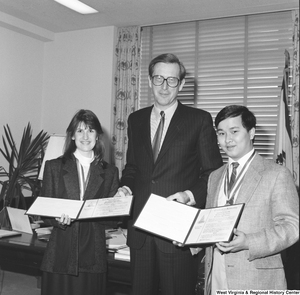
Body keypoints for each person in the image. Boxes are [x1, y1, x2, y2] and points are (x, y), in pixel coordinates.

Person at [116, 53, 223, 295]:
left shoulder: (199, 120)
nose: (164, 87)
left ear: (182, 84)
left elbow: (214, 174)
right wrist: (125, 187)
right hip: (140, 228)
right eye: (159, 78)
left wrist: (188, 195)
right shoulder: (135, 119)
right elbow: (133, 167)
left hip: (177, 230)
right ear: (150, 80)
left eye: (172, 80)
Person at [204, 105, 299, 293]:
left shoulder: (277, 174)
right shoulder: (214, 177)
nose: (227, 140)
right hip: (216, 276)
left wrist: (249, 242)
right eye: (221, 133)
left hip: (257, 279)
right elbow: (210, 226)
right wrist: (189, 238)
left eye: (234, 131)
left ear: (252, 132)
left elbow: (292, 227)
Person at [40, 109, 119, 295]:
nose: (85, 136)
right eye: (80, 130)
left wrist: (116, 205)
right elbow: (44, 211)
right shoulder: (54, 167)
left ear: (98, 136)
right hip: (61, 248)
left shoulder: (110, 172)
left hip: (93, 250)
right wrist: (57, 219)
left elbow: (114, 220)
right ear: (72, 136)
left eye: (91, 130)